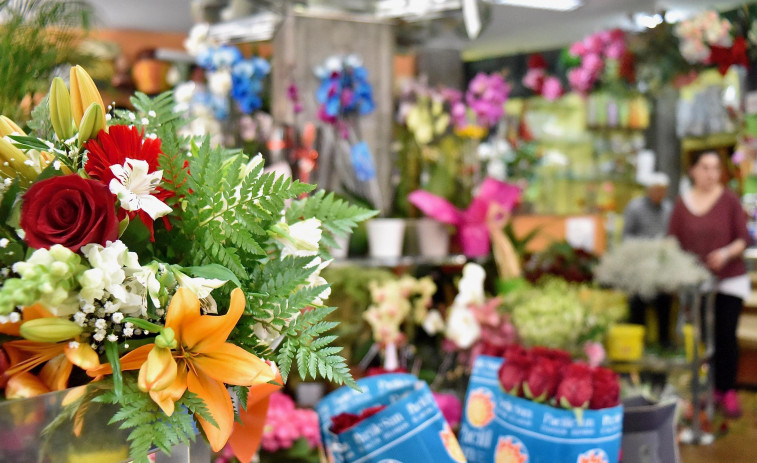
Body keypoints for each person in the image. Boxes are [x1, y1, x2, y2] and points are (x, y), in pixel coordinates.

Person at [668, 150, 751, 417]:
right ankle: (707, 388)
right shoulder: (683, 204)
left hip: (729, 280)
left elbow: (744, 238)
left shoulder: (729, 200)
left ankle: (727, 391)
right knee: (703, 338)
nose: (710, 174)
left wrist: (725, 253)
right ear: (693, 170)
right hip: (697, 284)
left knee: (726, 336)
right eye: (705, 167)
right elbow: (673, 243)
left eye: (715, 168)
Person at [623, 173, 674, 348]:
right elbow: (626, 236)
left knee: (664, 301)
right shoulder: (635, 208)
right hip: (640, 264)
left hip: (661, 265)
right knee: (638, 303)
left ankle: (664, 340)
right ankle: (638, 341)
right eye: (655, 190)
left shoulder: (668, 209)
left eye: (662, 190)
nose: (659, 194)